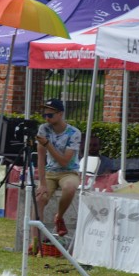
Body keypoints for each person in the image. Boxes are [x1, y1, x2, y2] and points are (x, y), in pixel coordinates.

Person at [36, 98, 81, 240]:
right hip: (50, 173)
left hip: (68, 171)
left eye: (50, 115)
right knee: (39, 199)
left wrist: (48, 144)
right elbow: (40, 158)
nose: (47, 118)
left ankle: (59, 216)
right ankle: (35, 241)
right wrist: (42, 184)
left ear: (60, 114)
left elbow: (64, 162)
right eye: (45, 115)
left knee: (70, 187)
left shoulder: (74, 133)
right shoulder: (43, 129)